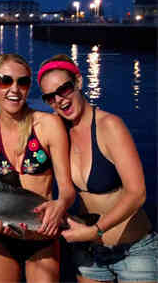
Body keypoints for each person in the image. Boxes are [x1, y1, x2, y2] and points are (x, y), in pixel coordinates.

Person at [37, 54, 156, 283]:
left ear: (79, 82)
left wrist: (96, 230)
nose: (60, 100)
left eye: (64, 89)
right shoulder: (59, 131)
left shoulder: (109, 125)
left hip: (134, 252)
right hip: (89, 255)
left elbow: (137, 193)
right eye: (50, 97)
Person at [0, 53, 75, 283]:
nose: (14, 89)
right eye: (5, 81)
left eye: (23, 82)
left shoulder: (48, 125)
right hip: (0, 239)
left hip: (42, 237)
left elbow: (67, 189)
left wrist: (61, 204)